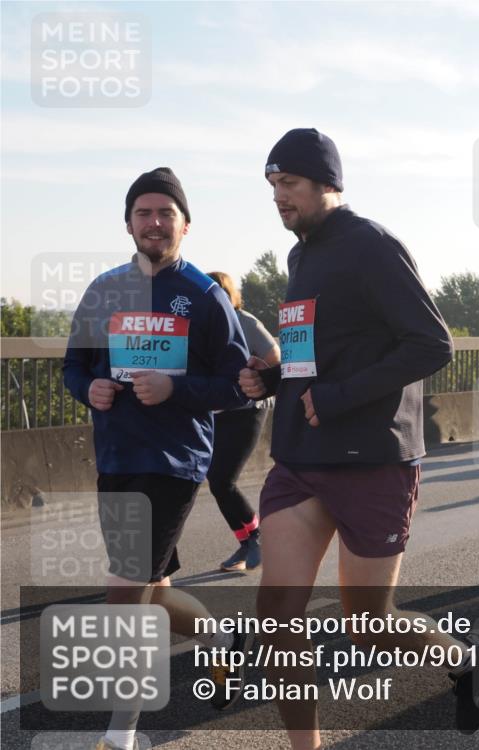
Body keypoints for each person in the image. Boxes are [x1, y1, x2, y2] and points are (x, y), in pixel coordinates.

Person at [239, 128, 479, 747]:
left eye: (290, 184)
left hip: (373, 458)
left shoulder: (372, 245)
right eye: (273, 185)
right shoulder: (300, 257)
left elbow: (433, 343)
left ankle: (461, 657)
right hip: (300, 457)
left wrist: (338, 396)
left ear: (329, 184)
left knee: (368, 626)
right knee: (275, 621)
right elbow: (316, 349)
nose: (279, 196)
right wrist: (272, 377)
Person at [63, 168, 254, 750]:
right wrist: (87, 390)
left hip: (172, 461)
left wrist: (177, 390)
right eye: (143, 212)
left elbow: (239, 382)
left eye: (165, 213)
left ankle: (119, 737)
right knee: (154, 586)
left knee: (124, 597)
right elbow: (76, 365)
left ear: (185, 225)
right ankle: (221, 641)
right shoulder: (104, 289)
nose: (154, 222)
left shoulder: (203, 294)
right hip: (117, 456)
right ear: (128, 223)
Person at [206, 271, 281, 571]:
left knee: (223, 479)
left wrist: (255, 374)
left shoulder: (244, 320)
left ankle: (256, 539)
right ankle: (247, 541)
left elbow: (274, 355)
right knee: (217, 481)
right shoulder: (206, 326)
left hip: (249, 409)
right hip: (219, 412)